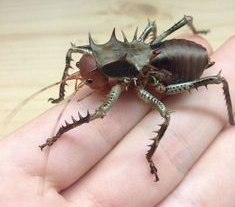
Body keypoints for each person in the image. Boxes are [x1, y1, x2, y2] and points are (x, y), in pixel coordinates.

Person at [0, 34, 234, 207]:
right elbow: (72, 54)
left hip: (175, 70)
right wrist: (63, 93)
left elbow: (102, 112)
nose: (87, 85)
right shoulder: (112, 68)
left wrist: (58, 133)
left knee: (168, 110)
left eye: (90, 81)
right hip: (155, 52)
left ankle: (153, 154)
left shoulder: (132, 87)